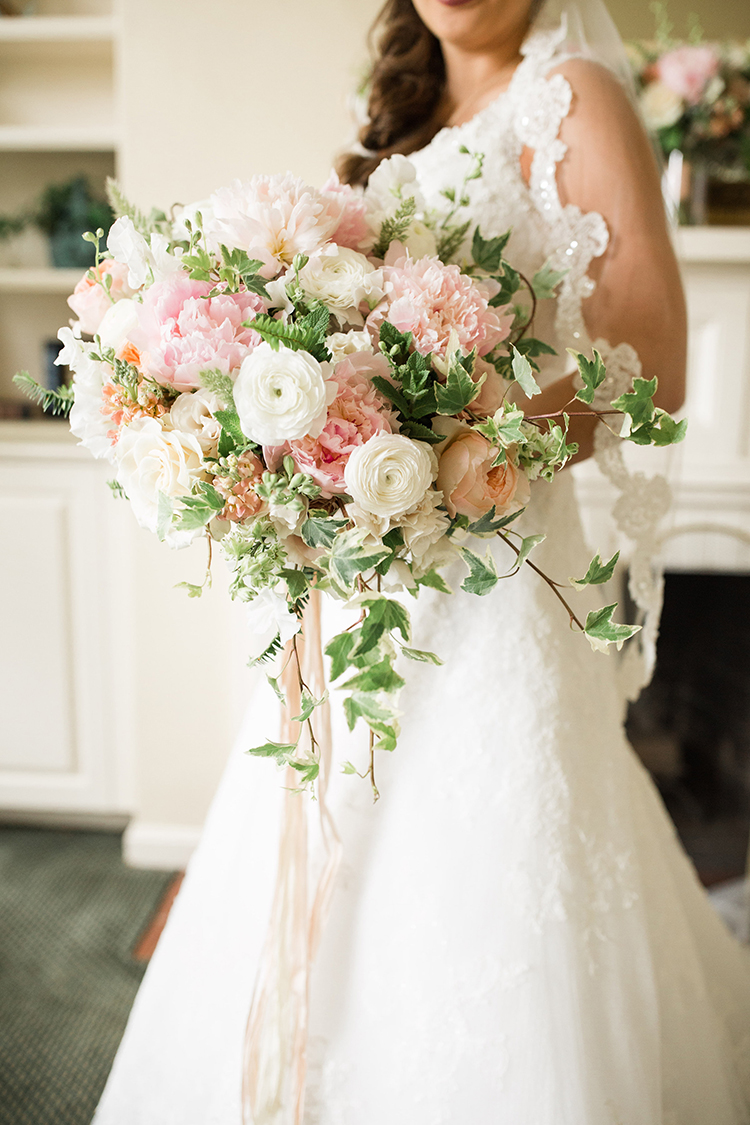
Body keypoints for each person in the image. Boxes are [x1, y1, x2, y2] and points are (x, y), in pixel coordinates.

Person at [93, 2, 750, 1123]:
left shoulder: (576, 96)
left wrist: (470, 451)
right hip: (368, 563)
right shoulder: (389, 109)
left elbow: (657, 357)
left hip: (498, 562)